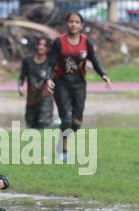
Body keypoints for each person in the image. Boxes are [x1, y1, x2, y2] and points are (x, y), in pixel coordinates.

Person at [44, 12, 112, 160]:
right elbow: (50, 62)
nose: (73, 24)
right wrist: (48, 79)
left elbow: (94, 59)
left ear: (81, 25)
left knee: (76, 124)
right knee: (67, 119)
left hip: (79, 85)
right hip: (61, 83)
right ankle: (63, 151)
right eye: (70, 21)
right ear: (66, 24)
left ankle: (61, 132)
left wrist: (103, 75)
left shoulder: (86, 42)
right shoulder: (59, 42)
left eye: (76, 22)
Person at [18, 37, 54, 129]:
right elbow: (22, 76)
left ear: (48, 48)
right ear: (36, 46)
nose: (41, 47)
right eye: (39, 44)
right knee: (30, 125)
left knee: (44, 123)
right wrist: (20, 86)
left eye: (44, 45)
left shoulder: (51, 62)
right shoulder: (27, 61)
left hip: (46, 97)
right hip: (32, 98)